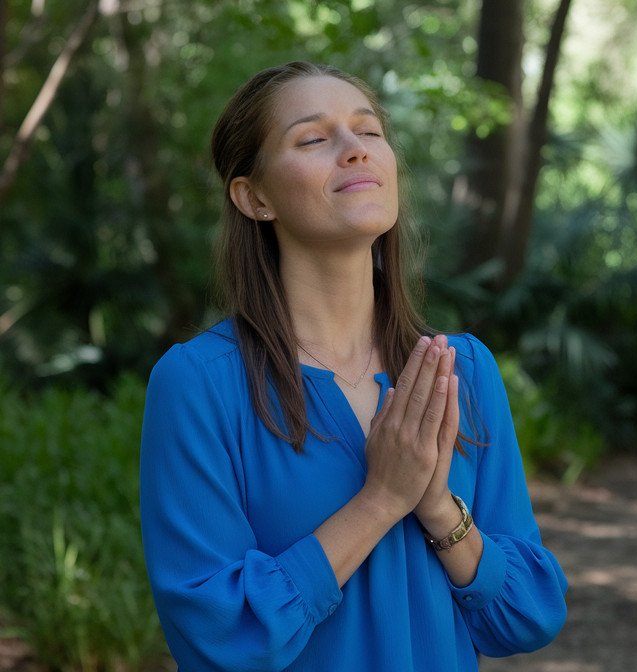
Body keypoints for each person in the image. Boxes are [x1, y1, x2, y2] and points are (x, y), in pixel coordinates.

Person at [139, 61, 567, 671]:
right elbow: (218, 634)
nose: (355, 151)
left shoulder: (462, 369)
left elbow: (529, 613)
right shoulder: (199, 384)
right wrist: (381, 499)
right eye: (313, 139)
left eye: (368, 132)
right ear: (254, 197)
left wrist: (439, 507)